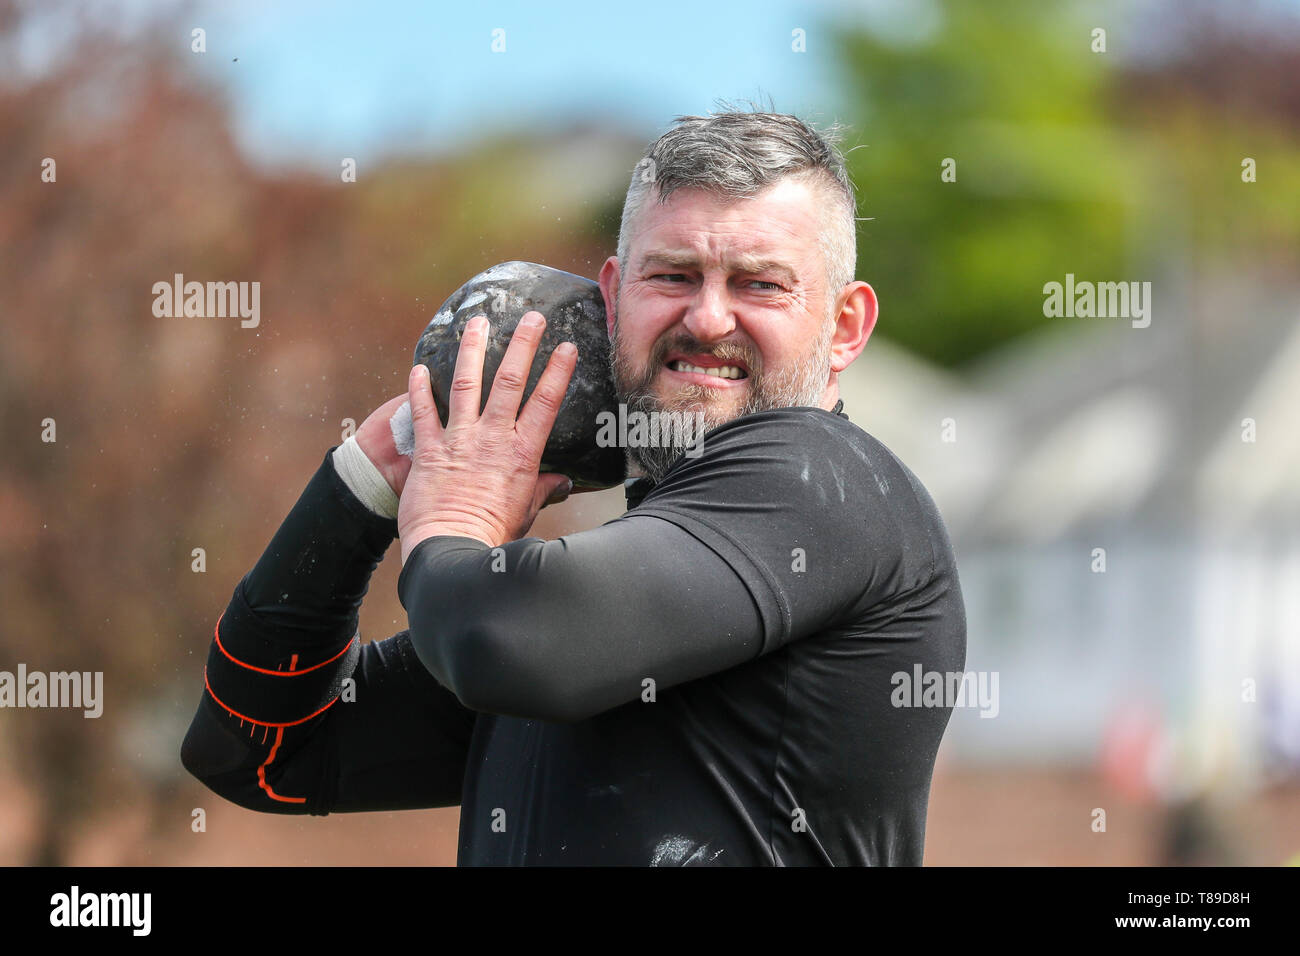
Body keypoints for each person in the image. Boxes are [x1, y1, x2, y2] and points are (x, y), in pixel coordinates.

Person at [181, 107, 967, 865]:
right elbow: (258, 753)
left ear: (844, 328)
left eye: (760, 284)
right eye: (674, 275)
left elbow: (502, 642)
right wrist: (372, 476)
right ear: (614, 296)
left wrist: (453, 518)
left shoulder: (826, 481)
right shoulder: (591, 616)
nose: (708, 319)